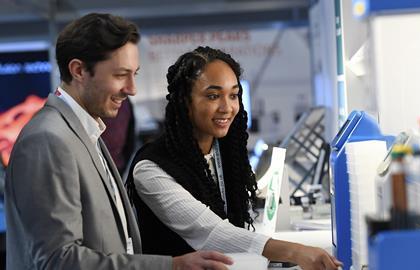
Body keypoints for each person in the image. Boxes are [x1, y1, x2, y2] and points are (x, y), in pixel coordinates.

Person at [4, 13, 233, 270]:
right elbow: (59, 260)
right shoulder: (48, 139)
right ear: (78, 70)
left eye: (134, 74)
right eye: (121, 75)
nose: (132, 88)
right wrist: (172, 266)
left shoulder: (85, 132)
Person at [126, 46, 343, 270]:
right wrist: (295, 251)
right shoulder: (150, 168)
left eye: (234, 95)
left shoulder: (223, 151)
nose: (227, 107)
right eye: (213, 96)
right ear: (185, 102)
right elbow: (211, 232)